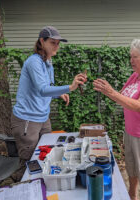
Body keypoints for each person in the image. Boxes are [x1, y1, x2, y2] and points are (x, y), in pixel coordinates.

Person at [93, 39, 140, 200]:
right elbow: (121, 96)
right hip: (131, 131)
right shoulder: (135, 76)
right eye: (130, 56)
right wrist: (107, 91)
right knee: (132, 170)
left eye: (135, 57)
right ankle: (132, 196)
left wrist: (111, 92)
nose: (131, 60)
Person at [11, 26, 87, 169]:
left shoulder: (48, 62)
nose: (56, 46)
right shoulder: (34, 61)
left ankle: (43, 187)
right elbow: (42, 90)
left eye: (58, 43)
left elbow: (47, 87)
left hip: (43, 117)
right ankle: (24, 187)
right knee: (29, 163)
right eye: (53, 42)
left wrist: (59, 94)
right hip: (27, 119)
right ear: (42, 41)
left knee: (46, 155)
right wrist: (70, 88)